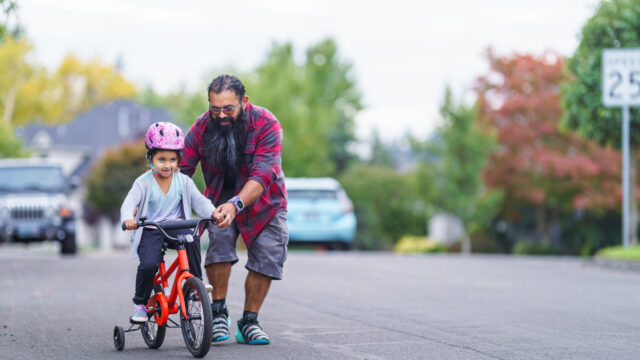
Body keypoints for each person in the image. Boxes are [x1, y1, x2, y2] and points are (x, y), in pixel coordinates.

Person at [180, 74, 288, 345]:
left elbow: (263, 175)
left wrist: (236, 203)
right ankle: (217, 313)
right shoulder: (202, 127)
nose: (221, 115)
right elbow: (182, 171)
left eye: (229, 108)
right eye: (215, 109)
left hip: (264, 202)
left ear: (244, 102)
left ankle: (249, 322)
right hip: (219, 200)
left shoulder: (267, 124)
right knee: (219, 247)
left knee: (268, 255)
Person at [121, 122, 216, 323]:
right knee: (148, 264)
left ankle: (194, 283)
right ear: (150, 159)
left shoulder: (183, 181)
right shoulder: (143, 183)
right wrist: (128, 218)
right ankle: (140, 304)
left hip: (176, 226)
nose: (167, 164)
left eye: (172, 159)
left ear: (179, 160)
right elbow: (128, 204)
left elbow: (200, 201)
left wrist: (213, 213)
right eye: (161, 159)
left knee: (192, 236)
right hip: (151, 228)